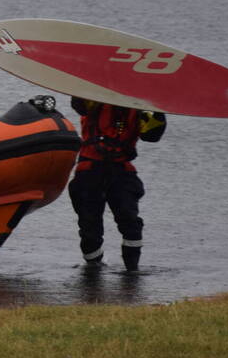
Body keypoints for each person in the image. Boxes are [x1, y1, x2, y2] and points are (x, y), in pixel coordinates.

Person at [67, 97, 167, 271]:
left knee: (130, 221)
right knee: (89, 226)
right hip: (90, 169)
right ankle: (93, 268)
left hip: (121, 171)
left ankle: (132, 271)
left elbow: (152, 136)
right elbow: (79, 104)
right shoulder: (93, 99)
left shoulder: (140, 107)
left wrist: (159, 109)